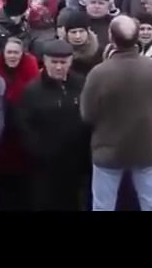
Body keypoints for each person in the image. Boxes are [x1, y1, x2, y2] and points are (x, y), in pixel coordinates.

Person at [81, 15, 152, 211]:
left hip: (108, 150)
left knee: (103, 207)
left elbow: (87, 114)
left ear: (111, 37)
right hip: (145, 147)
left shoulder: (99, 72)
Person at [18, 38, 90, 210]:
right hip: (46, 167)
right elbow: (24, 126)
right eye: (54, 62)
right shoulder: (32, 90)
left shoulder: (81, 84)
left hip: (77, 163)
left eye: (63, 62)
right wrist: (40, 151)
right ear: (45, 61)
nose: (59, 67)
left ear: (71, 61)